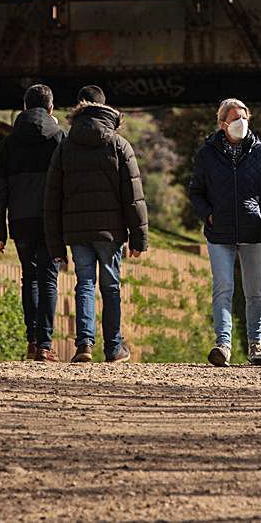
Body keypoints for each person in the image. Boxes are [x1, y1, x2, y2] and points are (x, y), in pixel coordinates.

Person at [44, 84, 148, 365]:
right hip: (110, 231)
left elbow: (52, 197)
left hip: (77, 231)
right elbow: (133, 195)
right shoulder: (118, 144)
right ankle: (114, 348)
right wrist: (139, 239)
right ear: (107, 109)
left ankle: (84, 345)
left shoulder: (66, 146)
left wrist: (55, 243)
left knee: (84, 284)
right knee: (111, 285)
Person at [188, 98, 261, 368]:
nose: (241, 122)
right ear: (222, 124)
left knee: (254, 291)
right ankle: (224, 344)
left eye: (244, 117)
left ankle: (256, 345)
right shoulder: (206, 154)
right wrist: (208, 213)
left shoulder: (260, 152)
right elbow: (196, 191)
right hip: (220, 232)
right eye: (234, 118)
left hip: (255, 232)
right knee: (223, 288)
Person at [0, 83, 65, 362]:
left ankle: (32, 342)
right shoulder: (59, 138)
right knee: (48, 279)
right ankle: (45, 344)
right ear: (51, 108)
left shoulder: (8, 143)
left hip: (20, 220)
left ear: (24, 107)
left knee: (29, 278)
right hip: (50, 220)